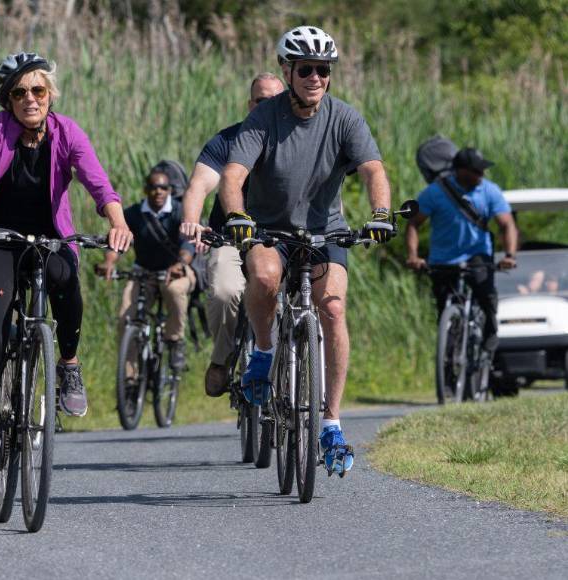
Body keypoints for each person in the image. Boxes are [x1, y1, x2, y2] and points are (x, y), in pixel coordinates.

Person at [0, 53, 132, 490]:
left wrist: (117, 221)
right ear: (7, 99)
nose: (30, 99)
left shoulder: (66, 132)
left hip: (49, 238)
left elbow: (97, 182)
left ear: (50, 94)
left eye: (38, 90)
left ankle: (68, 362)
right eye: (19, 92)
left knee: (68, 281)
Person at [218, 26, 395, 477]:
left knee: (332, 309)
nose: (315, 77)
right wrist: (237, 215)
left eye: (323, 70)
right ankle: (262, 352)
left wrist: (380, 214)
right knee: (262, 277)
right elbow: (233, 174)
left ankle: (331, 422)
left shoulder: (344, 119)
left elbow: (373, 169)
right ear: (288, 71)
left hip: (325, 232)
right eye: (306, 69)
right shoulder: (264, 118)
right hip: (270, 229)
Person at [180, 72, 284, 397]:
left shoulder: (293, 141)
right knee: (225, 291)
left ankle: (299, 374)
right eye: (259, 100)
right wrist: (191, 220)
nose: (266, 106)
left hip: (282, 239)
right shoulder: (227, 141)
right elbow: (200, 183)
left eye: (274, 100)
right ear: (249, 104)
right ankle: (223, 359)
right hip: (231, 239)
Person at [406, 147, 517, 350]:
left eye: (482, 170)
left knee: (485, 293)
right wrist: (413, 256)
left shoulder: (490, 191)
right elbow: (413, 223)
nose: (481, 174)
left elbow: (506, 225)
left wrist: (509, 255)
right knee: (444, 307)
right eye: (476, 170)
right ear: (460, 170)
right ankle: (449, 357)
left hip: (477, 255)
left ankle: (490, 330)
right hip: (443, 259)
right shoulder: (435, 192)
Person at [99, 168, 196, 371]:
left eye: (163, 187)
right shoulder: (134, 214)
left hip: (175, 271)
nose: (158, 191)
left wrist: (181, 264)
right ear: (146, 190)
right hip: (143, 272)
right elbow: (118, 243)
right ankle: (129, 382)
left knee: (175, 291)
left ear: (170, 190)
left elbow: (189, 243)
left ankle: (175, 341)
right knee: (126, 319)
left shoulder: (180, 211)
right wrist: (109, 262)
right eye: (153, 187)